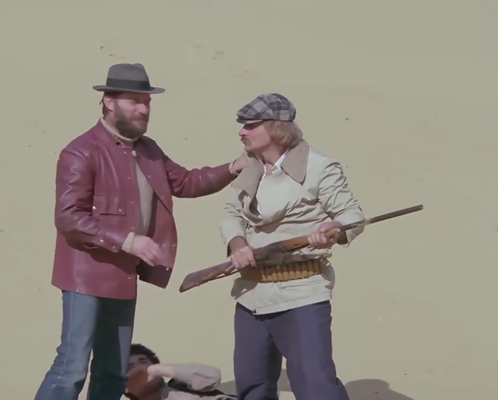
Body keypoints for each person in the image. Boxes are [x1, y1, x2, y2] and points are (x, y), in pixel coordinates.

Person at [34, 63, 248, 400]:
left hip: (123, 277)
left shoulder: (149, 150)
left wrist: (234, 167)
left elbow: (187, 182)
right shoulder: (81, 151)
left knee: (112, 370)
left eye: (146, 102)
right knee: (72, 366)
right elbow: (68, 217)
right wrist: (129, 241)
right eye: (134, 101)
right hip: (84, 278)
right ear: (109, 102)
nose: (144, 109)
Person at [218, 93, 365, 400]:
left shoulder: (319, 167)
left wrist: (333, 229)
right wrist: (237, 243)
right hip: (250, 292)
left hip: (301, 294)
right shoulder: (251, 167)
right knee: (252, 387)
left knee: (316, 387)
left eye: (251, 125)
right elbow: (231, 213)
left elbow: (352, 215)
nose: (241, 131)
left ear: (276, 127)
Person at [124, 343, 238, 400]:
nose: (139, 369)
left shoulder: (182, 384)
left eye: (143, 362)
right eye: (130, 368)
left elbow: (212, 377)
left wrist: (158, 369)